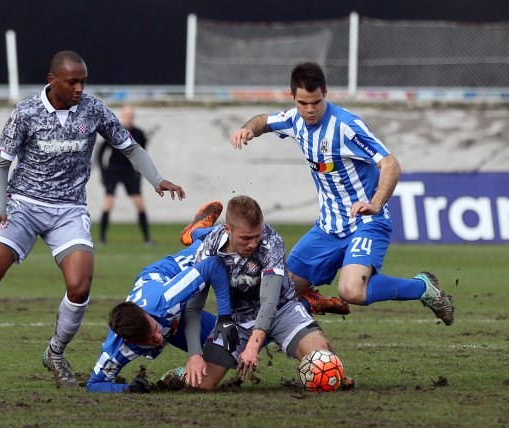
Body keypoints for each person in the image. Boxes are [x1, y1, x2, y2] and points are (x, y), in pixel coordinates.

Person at [0, 50, 185, 391]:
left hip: (68, 210)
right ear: (52, 80)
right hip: (22, 205)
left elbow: (130, 148)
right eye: (72, 81)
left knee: (80, 286)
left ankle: (55, 352)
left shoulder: (94, 110)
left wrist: (157, 179)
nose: (80, 88)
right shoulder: (25, 112)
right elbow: (0, 166)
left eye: (83, 81)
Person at [229, 62, 454, 326]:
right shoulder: (294, 120)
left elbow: (390, 164)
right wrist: (247, 130)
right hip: (327, 229)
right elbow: (263, 121)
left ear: (325, 92)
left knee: (352, 291)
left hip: (366, 223)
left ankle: (422, 288)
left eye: (316, 102)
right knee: (278, 292)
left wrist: (375, 203)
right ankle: (312, 300)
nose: (310, 110)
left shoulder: (346, 127)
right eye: (303, 103)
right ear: (293, 97)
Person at [181, 196, 346, 391]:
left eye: (256, 236)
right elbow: (194, 306)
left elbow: (269, 301)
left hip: (281, 310)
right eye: (245, 238)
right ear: (228, 230)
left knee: (324, 366)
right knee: (198, 385)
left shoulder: (270, 240)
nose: (252, 243)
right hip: (236, 321)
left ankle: (307, 309)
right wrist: (194, 354)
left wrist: (253, 345)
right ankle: (179, 374)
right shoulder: (209, 248)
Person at [86, 202, 230, 393]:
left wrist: (226, 319)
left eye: (154, 329)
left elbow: (212, 265)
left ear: (148, 317)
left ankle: (196, 232)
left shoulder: (166, 302)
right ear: (129, 339)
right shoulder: (118, 347)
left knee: (226, 240)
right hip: (172, 318)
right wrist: (128, 389)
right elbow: (94, 384)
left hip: (170, 274)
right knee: (228, 347)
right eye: (149, 339)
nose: (158, 337)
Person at [96, 104, 155, 246]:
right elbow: (100, 153)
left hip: (130, 173)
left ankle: (147, 239)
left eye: (131, 115)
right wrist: (103, 173)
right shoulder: (114, 130)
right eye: (126, 114)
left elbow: (142, 155)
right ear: (122, 115)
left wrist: (141, 174)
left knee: (140, 205)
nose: (129, 117)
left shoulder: (139, 133)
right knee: (108, 204)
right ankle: (102, 239)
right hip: (113, 171)